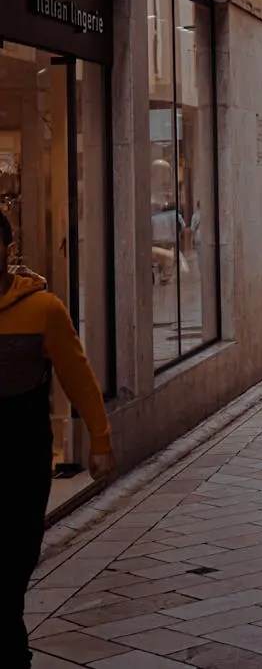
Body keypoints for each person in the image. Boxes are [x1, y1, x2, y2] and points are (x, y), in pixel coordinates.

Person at [0, 212, 114, 668]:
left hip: (23, 449)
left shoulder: (43, 308)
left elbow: (78, 375)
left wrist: (100, 439)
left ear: (9, 248)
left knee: (18, 550)